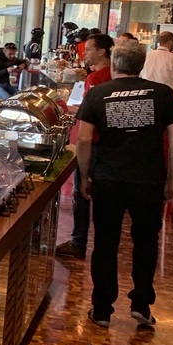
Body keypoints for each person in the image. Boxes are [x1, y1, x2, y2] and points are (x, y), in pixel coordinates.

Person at [75, 41, 173, 329]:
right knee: (146, 241)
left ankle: (102, 309)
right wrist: (172, 178)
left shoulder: (98, 93)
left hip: (108, 178)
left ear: (114, 65)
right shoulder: (162, 93)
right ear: (142, 65)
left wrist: (84, 176)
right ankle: (141, 304)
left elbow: (84, 139)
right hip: (148, 179)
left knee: (105, 242)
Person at [56, 34, 114, 259]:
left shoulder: (96, 78)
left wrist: (68, 109)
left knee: (82, 192)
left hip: (93, 140)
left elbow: (90, 113)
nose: (84, 53)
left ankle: (78, 241)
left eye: (88, 49)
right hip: (109, 143)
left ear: (102, 51)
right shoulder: (114, 75)